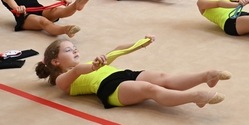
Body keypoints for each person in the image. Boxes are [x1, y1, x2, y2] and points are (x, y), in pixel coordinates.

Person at [35, 36, 229, 109]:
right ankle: (195, 96)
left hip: (122, 75)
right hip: (110, 89)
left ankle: (206, 76)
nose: (75, 50)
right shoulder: (62, 80)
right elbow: (78, 71)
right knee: (150, 89)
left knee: (162, 77)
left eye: (74, 47)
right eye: (68, 50)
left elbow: (117, 49)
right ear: (56, 61)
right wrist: (95, 66)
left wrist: (139, 44)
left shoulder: (89, 62)